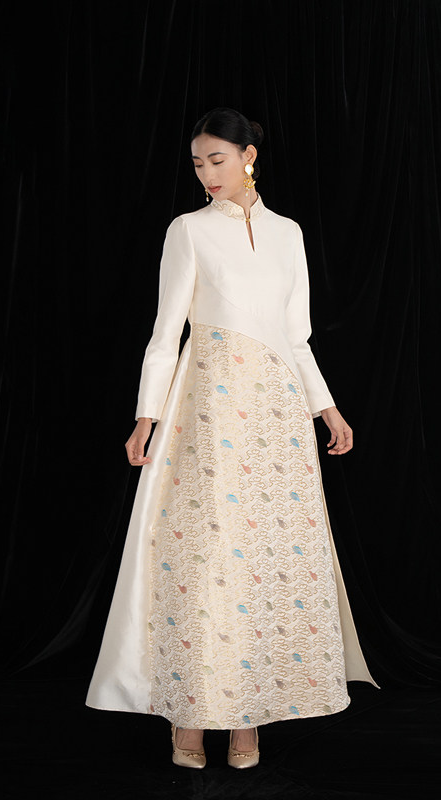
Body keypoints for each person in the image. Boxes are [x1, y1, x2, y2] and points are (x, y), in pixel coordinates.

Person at [85, 107, 379, 769]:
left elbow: (296, 337)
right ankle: (190, 716)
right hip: (210, 412)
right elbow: (166, 333)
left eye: (216, 159)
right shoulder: (188, 230)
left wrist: (326, 408)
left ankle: (249, 719)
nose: (205, 173)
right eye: (197, 163)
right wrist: (146, 415)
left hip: (277, 417)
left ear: (249, 156)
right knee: (206, 558)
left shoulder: (288, 234)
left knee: (265, 562)